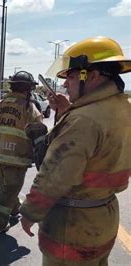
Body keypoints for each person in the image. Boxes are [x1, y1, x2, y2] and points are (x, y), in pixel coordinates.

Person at [19, 36, 131, 265]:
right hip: (103, 216)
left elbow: (55, 175)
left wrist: (30, 212)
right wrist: (66, 111)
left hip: (73, 225)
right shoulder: (122, 108)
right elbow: (100, 144)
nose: (65, 84)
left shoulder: (83, 121)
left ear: (92, 75)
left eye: (69, 76)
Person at [0, 70, 43, 233]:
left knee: (7, 186)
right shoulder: (29, 109)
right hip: (18, 158)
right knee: (10, 188)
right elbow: (38, 136)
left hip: (0, 156)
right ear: (27, 89)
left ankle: (15, 209)